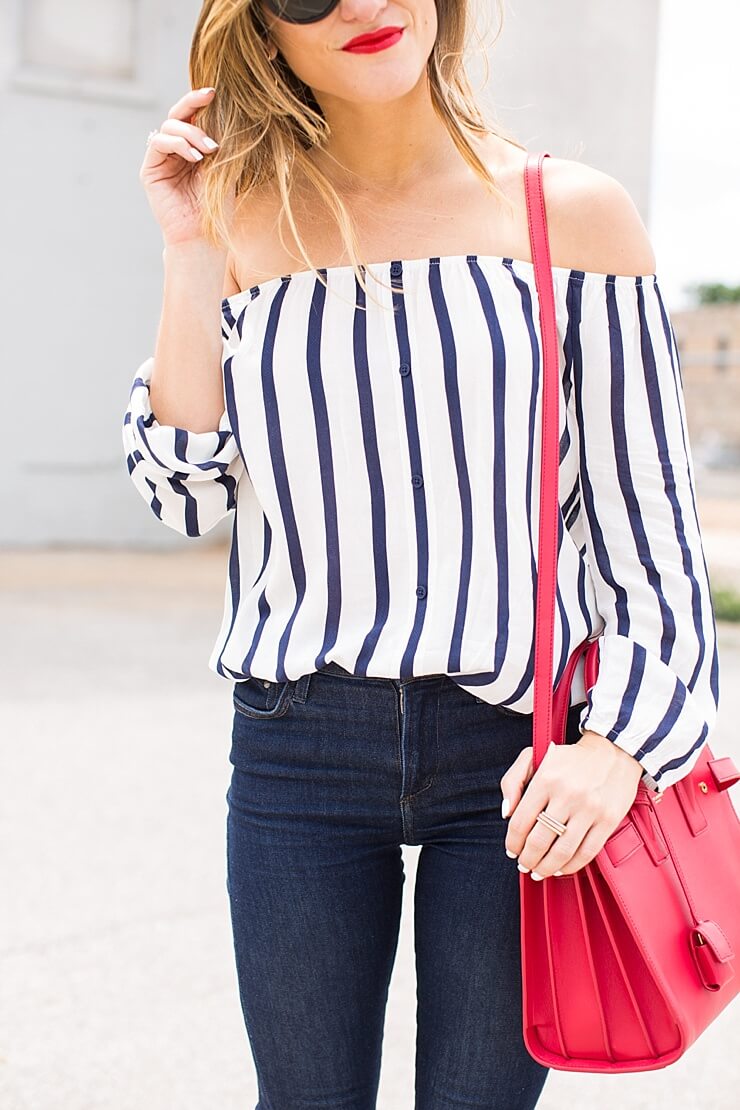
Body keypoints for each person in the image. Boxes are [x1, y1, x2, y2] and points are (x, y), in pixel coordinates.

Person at [121, 2, 720, 1106]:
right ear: (259, 29)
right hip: (298, 747)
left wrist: (618, 747)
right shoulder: (240, 223)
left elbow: (651, 539)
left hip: (514, 756)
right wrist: (190, 250)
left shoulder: (567, 214)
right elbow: (183, 489)